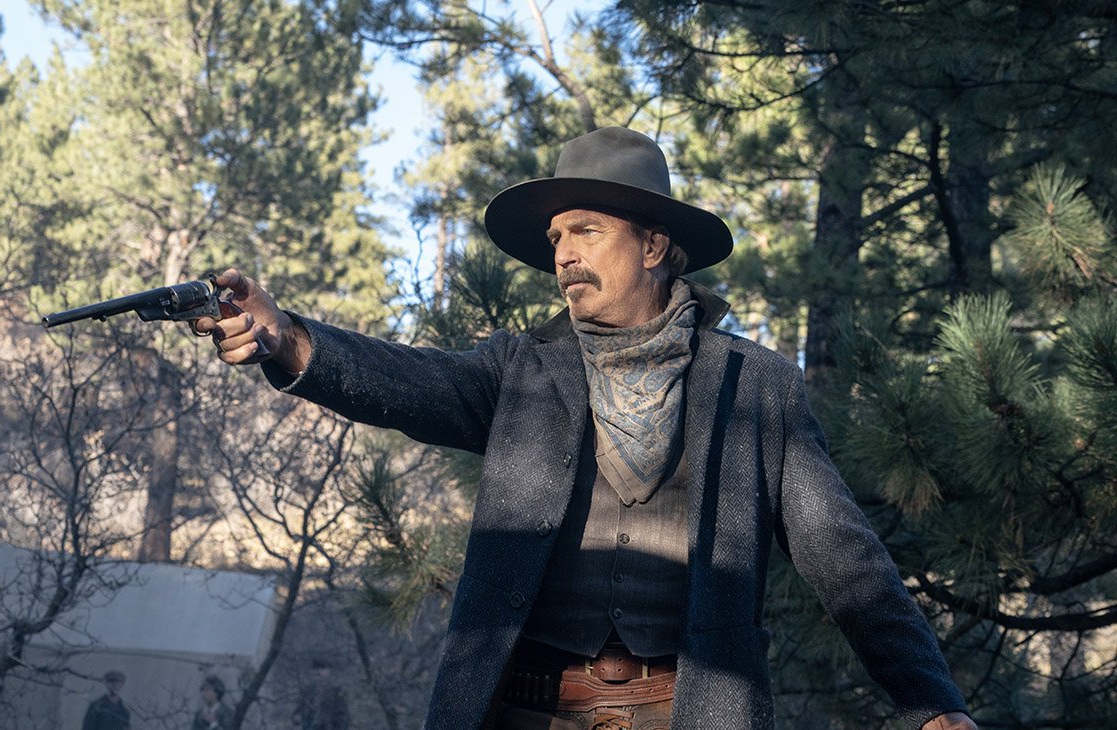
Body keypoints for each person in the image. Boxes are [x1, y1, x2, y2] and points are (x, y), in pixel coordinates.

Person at [196, 127, 978, 729]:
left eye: (585, 231)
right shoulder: (520, 370)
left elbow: (845, 559)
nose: (563, 255)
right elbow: (407, 382)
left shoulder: (756, 386)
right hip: (523, 712)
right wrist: (287, 338)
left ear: (654, 244)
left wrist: (930, 701)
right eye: (556, 240)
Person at [291, 658, 351, 730]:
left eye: (322, 668)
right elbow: (299, 711)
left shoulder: (337, 693)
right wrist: (297, 717)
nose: (318, 671)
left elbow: (344, 719)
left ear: (329, 672)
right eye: (315, 668)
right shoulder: (307, 691)